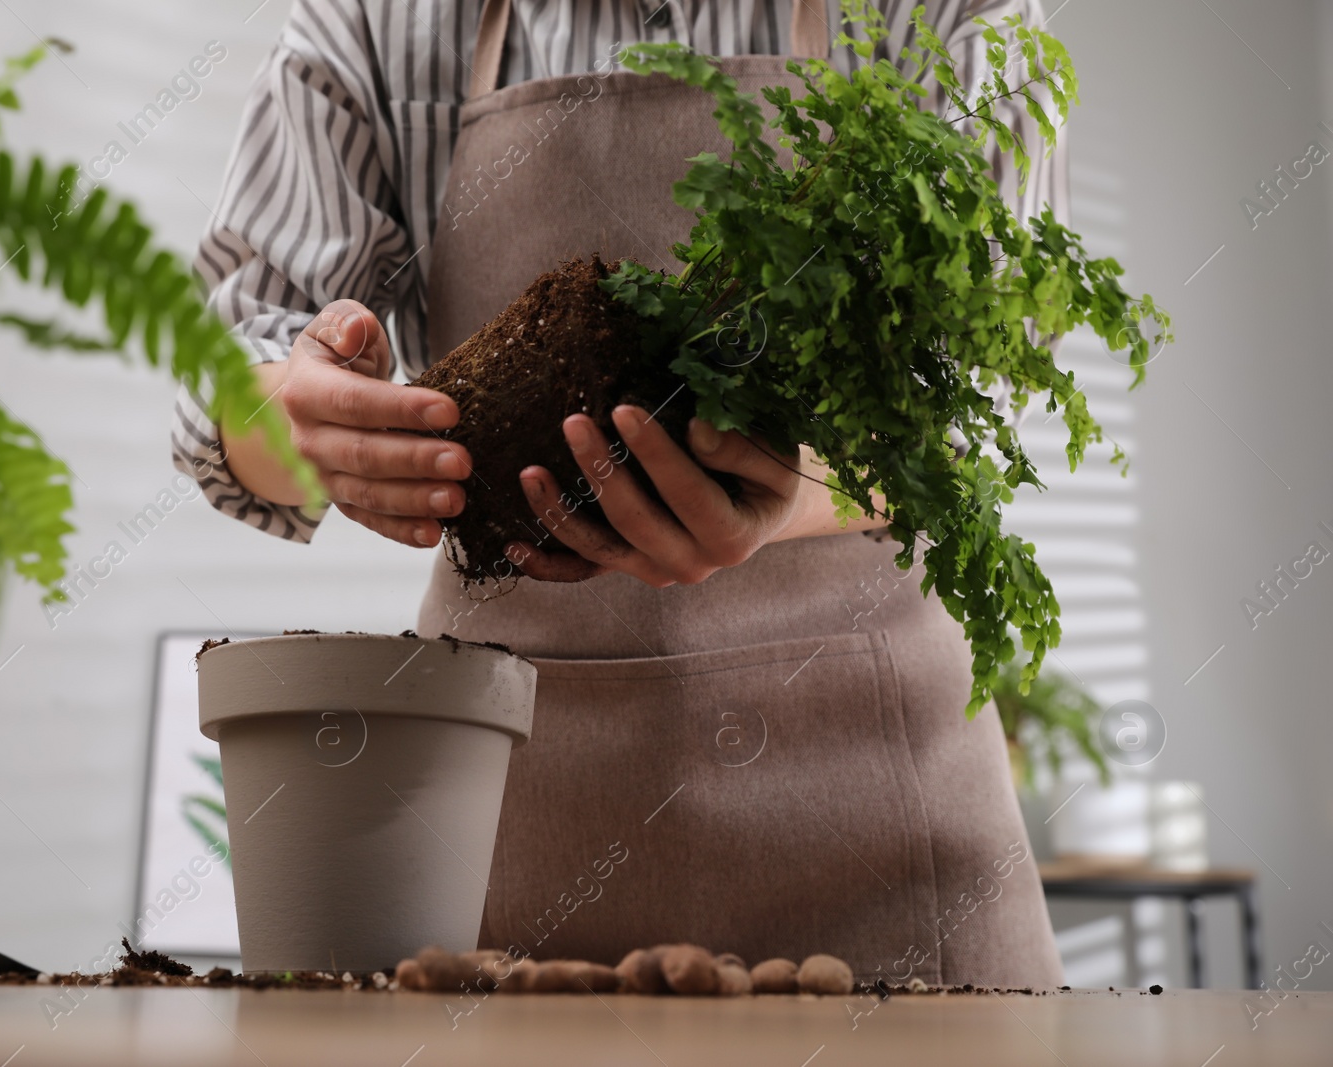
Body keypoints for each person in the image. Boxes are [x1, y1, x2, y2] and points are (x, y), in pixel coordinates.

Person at [173, 0, 1068, 987]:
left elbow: (979, 390)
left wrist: (796, 481)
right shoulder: (376, 20)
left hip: (888, 824)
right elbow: (234, 370)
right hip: (505, 815)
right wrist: (306, 422)